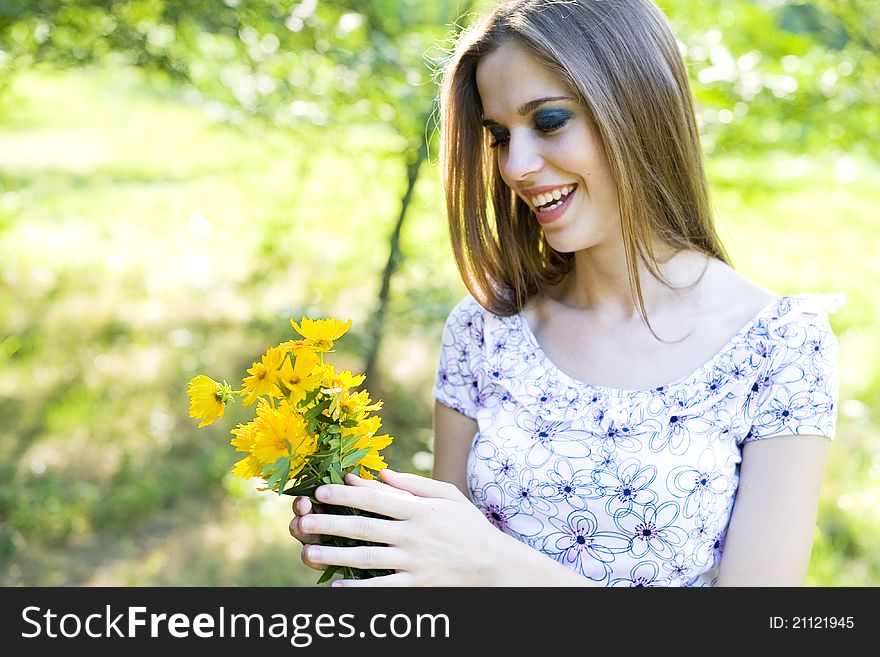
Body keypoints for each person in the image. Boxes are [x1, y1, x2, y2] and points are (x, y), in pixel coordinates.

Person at [288, 0, 842, 586]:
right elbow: (444, 582)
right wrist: (372, 541)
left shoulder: (779, 347)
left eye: (549, 121)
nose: (516, 166)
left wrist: (497, 567)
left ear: (639, 108)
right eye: (499, 136)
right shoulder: (484, 331)